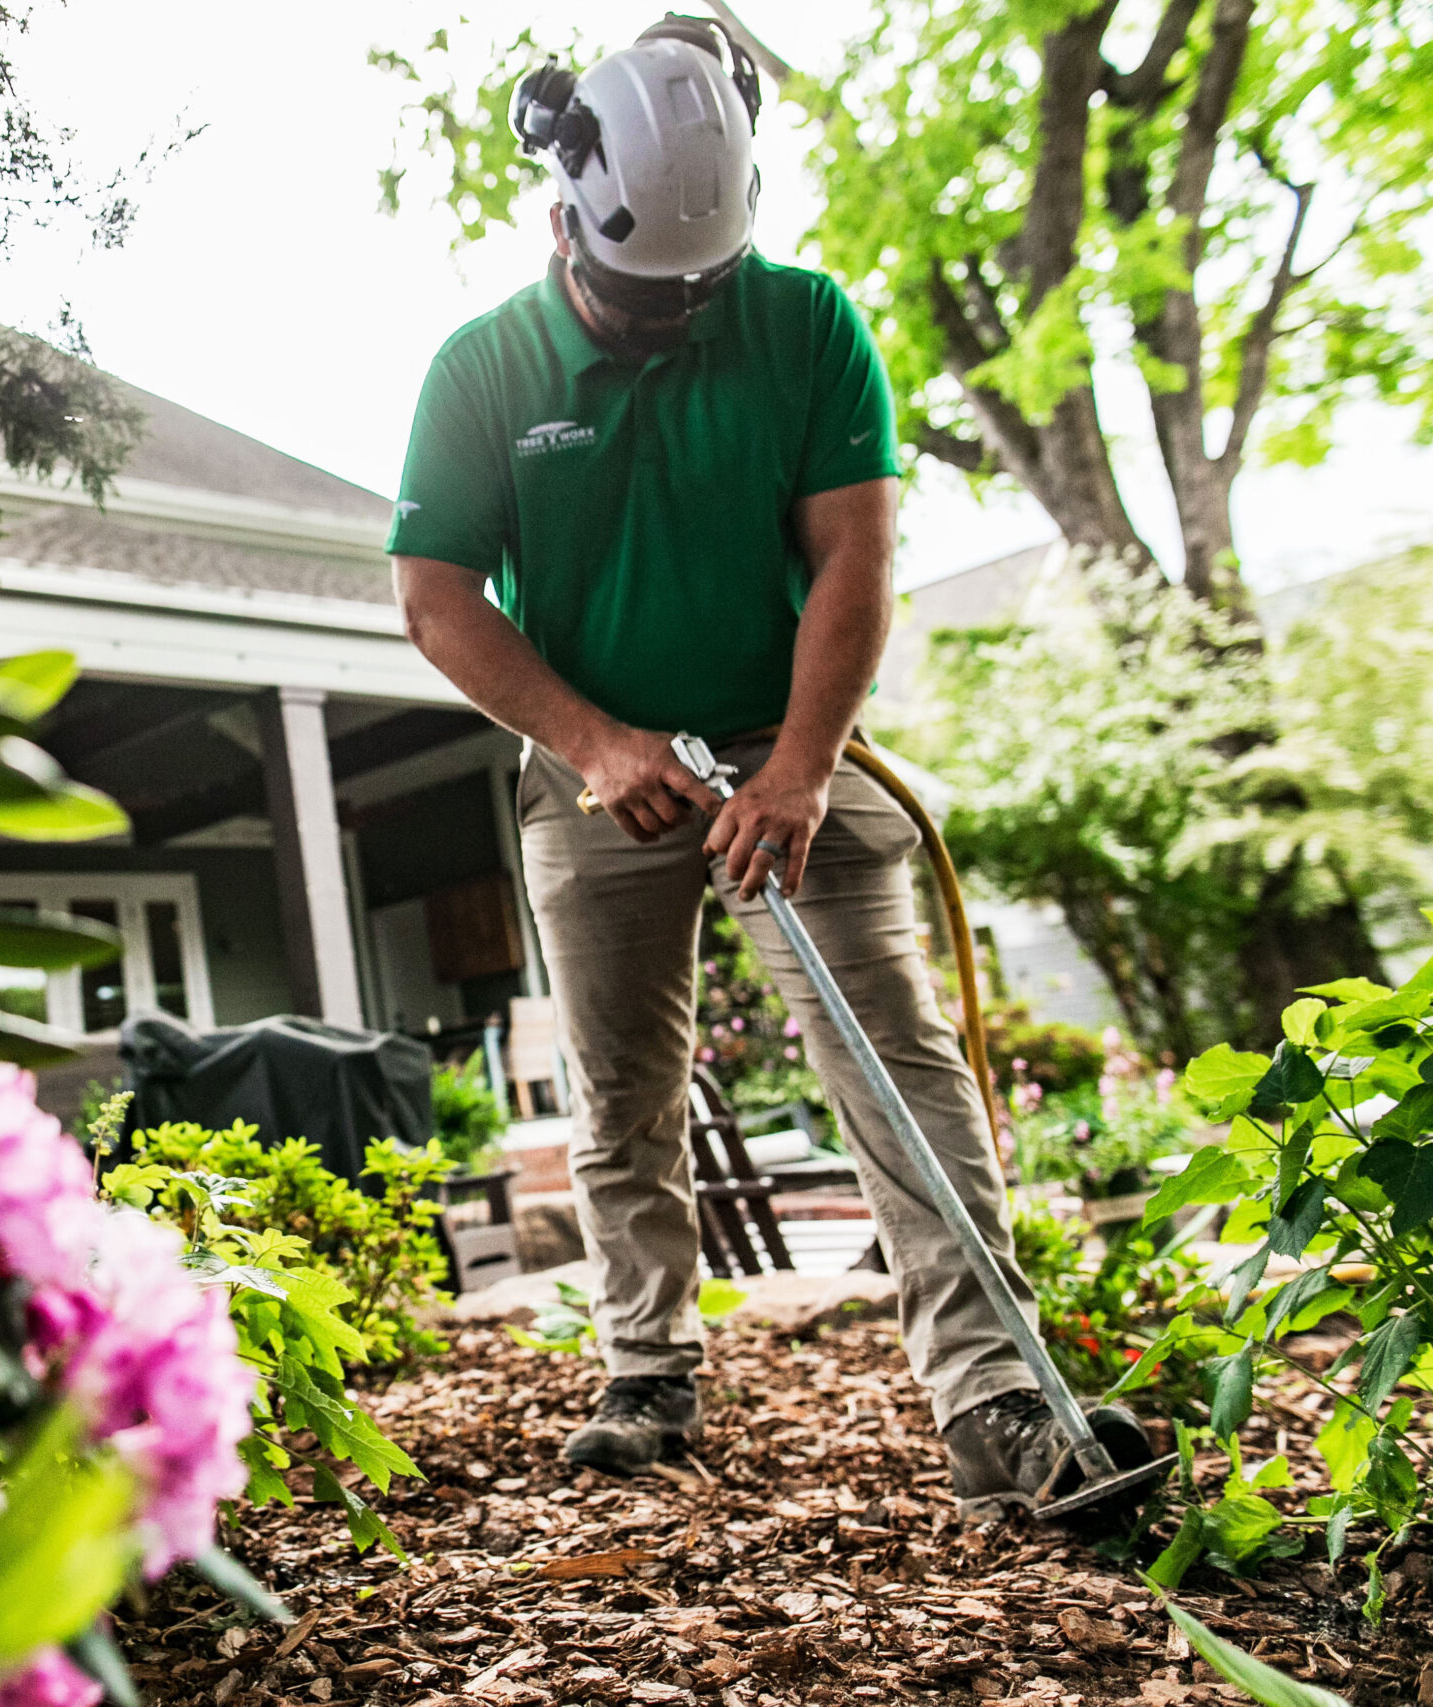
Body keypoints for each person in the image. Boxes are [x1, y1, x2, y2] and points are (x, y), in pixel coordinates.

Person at [386, 15, 1142, 1516]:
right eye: (632, 296)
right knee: (619, 1085)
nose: (665, 323)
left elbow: (855, 553)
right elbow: (436, 600)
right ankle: (648, 1368)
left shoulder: (806, 322)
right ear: (562, 216)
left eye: (694, 297)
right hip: (592, 759)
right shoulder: (480, 367)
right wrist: (596, 745)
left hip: (782, 739)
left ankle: (996, 1400)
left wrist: (801, 767)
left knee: (897, 1057)